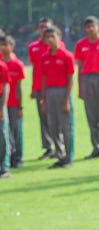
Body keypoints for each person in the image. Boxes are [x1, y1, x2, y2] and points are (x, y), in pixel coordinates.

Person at [75, 16, 99, 159]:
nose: (90, 29)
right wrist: (80, 87)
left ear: (98, 26)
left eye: (93, 26)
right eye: (87, 27)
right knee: (91, 116)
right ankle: (96, 147)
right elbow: (79, 66)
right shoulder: (81, 44)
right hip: (87, 79)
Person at [37, 26, 75, 168]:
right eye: (47, 37)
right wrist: (43, 99)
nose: (50, 40)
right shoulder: (44, 57)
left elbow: (71, 79)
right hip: (50, 93)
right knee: (53, 126)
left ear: (59, 37)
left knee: (66, 126)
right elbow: (44, 78)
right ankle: (60, 155)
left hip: (62, 91)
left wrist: (66, 100)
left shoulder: (67, 56)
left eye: (53, 36)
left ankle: (69, 157)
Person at [28, 18, 53, 159]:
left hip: (53, 86)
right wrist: (33, 87)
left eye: (46, 27)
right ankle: (48, 147)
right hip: (39, 87)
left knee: (56, 118)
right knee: (43, 118)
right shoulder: (33, 47)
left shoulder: (57, 45)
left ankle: (58, 146)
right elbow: (34, 69)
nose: (44, 30)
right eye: (42, 27)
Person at [1, 35, 23, 170]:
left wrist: (20, 105)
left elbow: (19, 87)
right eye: (1, 44)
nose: (3, 47)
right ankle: (6, 158)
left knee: (16, 131)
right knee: (4, 133)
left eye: (5, 44)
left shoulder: (17, 64)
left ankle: (18, 157)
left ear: (12, 46)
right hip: (2, 103)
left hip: (13, 102)